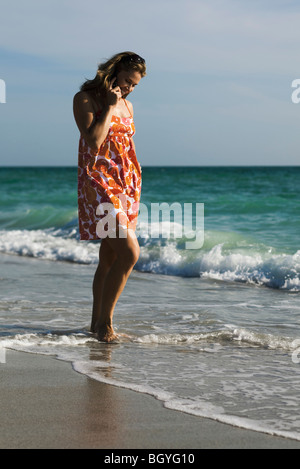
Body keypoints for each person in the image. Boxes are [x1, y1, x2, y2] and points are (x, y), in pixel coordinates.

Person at [73, 52, 146, 342]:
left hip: (127, 183)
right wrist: (111, 108)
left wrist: (133, 180)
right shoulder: (86, 99)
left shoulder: (129, 105)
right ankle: (106, 324)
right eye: (127, 81)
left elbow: (125, 146)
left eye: (134, 85)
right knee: (130, 253)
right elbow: (93, 141)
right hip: (98, 181)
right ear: (113, 72)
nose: (129, 88)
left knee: (110, 257)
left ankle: (95, 324)